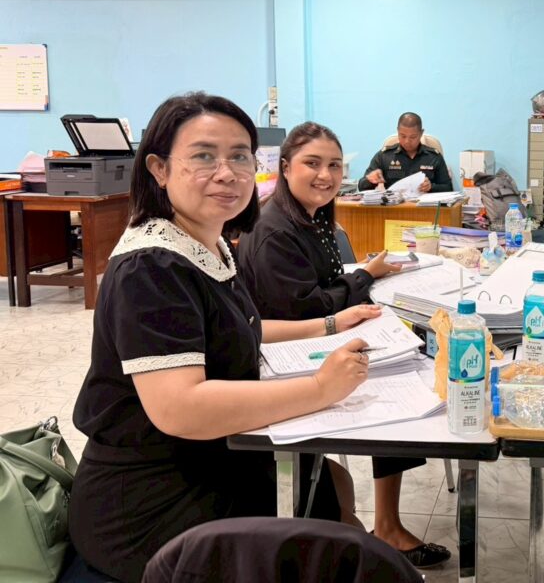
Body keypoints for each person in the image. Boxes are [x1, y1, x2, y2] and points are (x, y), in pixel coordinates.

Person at [69, 93, 378, 583]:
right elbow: (180, 408)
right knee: (328, 522)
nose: (227, 172)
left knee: (330, 483)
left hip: (207, 458)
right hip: (154, 500)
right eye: (203, 156)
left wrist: (330, 326)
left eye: (239, 156)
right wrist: (320, 388)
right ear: (159, 169)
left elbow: (241, 328)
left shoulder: (207, 243)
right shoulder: (152, 266)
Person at [238, 121, 451, 570]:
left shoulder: (312, 216)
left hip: (316, 334)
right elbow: (304, 308)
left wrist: (360, 282)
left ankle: (386, 524)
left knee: (403, 362)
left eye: (334, 165)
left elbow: (327, 285)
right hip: (285, 354)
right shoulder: (275, 230)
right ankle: (374, 533)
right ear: (285, 167)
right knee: (384, 380)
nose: (326, 175)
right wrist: (363, 279)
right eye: (312, 164)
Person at [357, 112, 452, 192]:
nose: (407, 141)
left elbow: (448, 188)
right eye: (403, 136)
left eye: (413, 137)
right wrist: (370, 180)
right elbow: (361, 187)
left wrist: (431, 187)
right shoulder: (384, 156)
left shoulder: (434, 157)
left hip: (424, 207)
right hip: (394, 207)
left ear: (421, 133)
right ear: (397, 131)